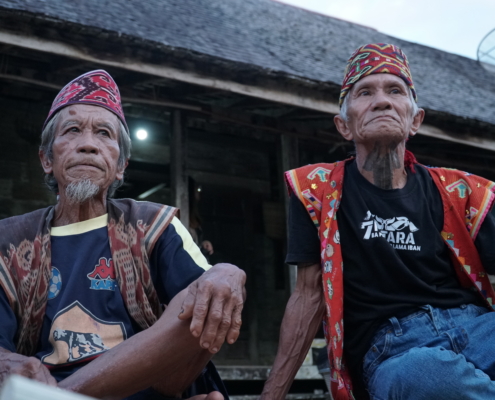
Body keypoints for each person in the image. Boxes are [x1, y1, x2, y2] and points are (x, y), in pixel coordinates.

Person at [260, 43, 495, 400]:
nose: (381, 101)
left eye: (395, 91)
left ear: (415, 120)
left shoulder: (459, 192)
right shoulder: (316, 192)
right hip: (393, 349)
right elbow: (308, 296)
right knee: (423, 375)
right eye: (365, 92)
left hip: (477, 328)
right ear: (344, 125)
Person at [0, 70, 247, 400]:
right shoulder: (8, 240)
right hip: (41, 387)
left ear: (121, 166)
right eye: (72, 130)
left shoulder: (154, 225)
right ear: (47, 158)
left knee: (207, 293)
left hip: (145, 389)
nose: (88, 145)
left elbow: (198, 317)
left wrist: (224, 273)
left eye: (104, 133)